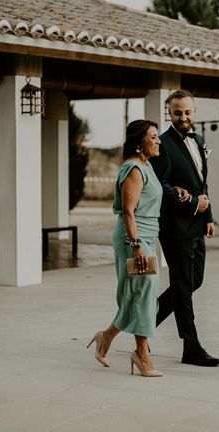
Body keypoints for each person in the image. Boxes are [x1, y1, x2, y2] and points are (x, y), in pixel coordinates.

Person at [150, 89, 219, 367]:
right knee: (183, 285)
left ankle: (145, 319)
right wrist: (193, 204)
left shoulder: (199, 139)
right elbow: (162, 186)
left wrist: (208, 217)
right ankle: (191, 347)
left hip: (197, 222)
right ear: (169, 113)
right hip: (175, 226)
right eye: (177, 112)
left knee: (193, 281)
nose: (183, 117)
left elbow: (202, 183)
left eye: (187, 112)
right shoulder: (163, 144)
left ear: (195, 112)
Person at [88, 119, 165, 377]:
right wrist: (136, 247)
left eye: (157, 137)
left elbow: (150, 198)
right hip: (134, 239)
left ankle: (105, 338)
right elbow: (129, 212)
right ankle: (142, 355)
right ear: (138, 142)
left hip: (146, 238)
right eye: (153, 137)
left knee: (139, 296)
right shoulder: (133, 169)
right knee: (142, 296)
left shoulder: (147, 166)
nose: (158, 141)